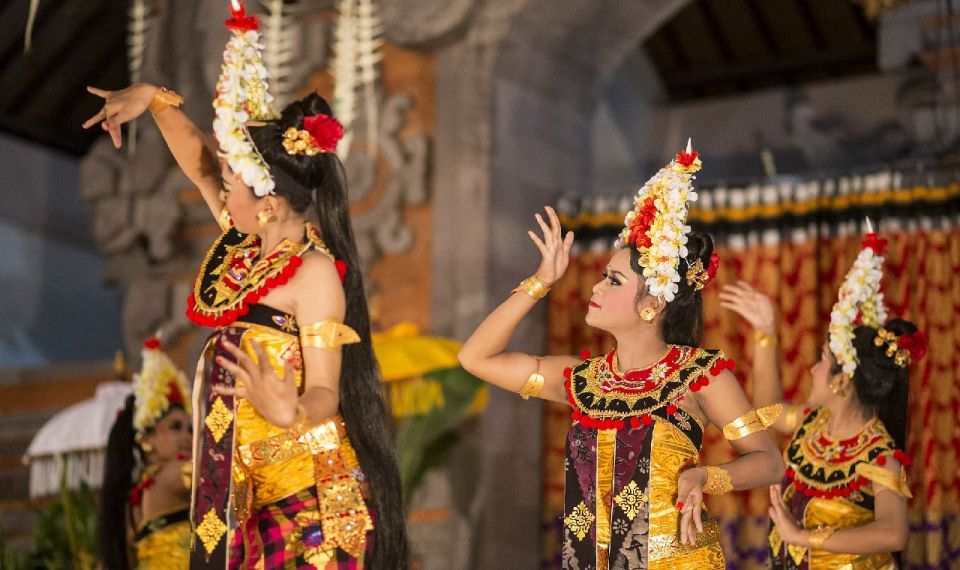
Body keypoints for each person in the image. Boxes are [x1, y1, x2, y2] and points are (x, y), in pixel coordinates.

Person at [83, 2, 406, 567]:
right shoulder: (244, 246)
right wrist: (153, 98)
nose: (219, 187)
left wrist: (293, 411)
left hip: (309, 506)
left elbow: (327, 389)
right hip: (244, 495)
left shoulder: (312, 275)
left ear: (271, 205)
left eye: (233, 182)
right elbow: (196, 161)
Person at [458, 144, 785, 569]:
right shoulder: (582, 381)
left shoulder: (697, 375)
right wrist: (540, 282)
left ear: (652, 305)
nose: (595, 288)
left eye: (613, 281)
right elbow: (476, 357)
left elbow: (769, 462)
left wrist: (705, 476)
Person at [720, 224, 925, 569]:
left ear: (842, 382)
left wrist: (803, 537)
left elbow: (894, 533)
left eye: (822, 363)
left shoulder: (879, 456)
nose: (813, 370)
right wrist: (765, 333)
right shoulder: (811, 425)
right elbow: (768, 412)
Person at [100, 337, 193, 570]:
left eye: (191, 429)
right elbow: (217, 472)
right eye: (175, 427)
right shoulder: (172, 474)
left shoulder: (133, 495)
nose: (187, 437)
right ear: (145, 440)